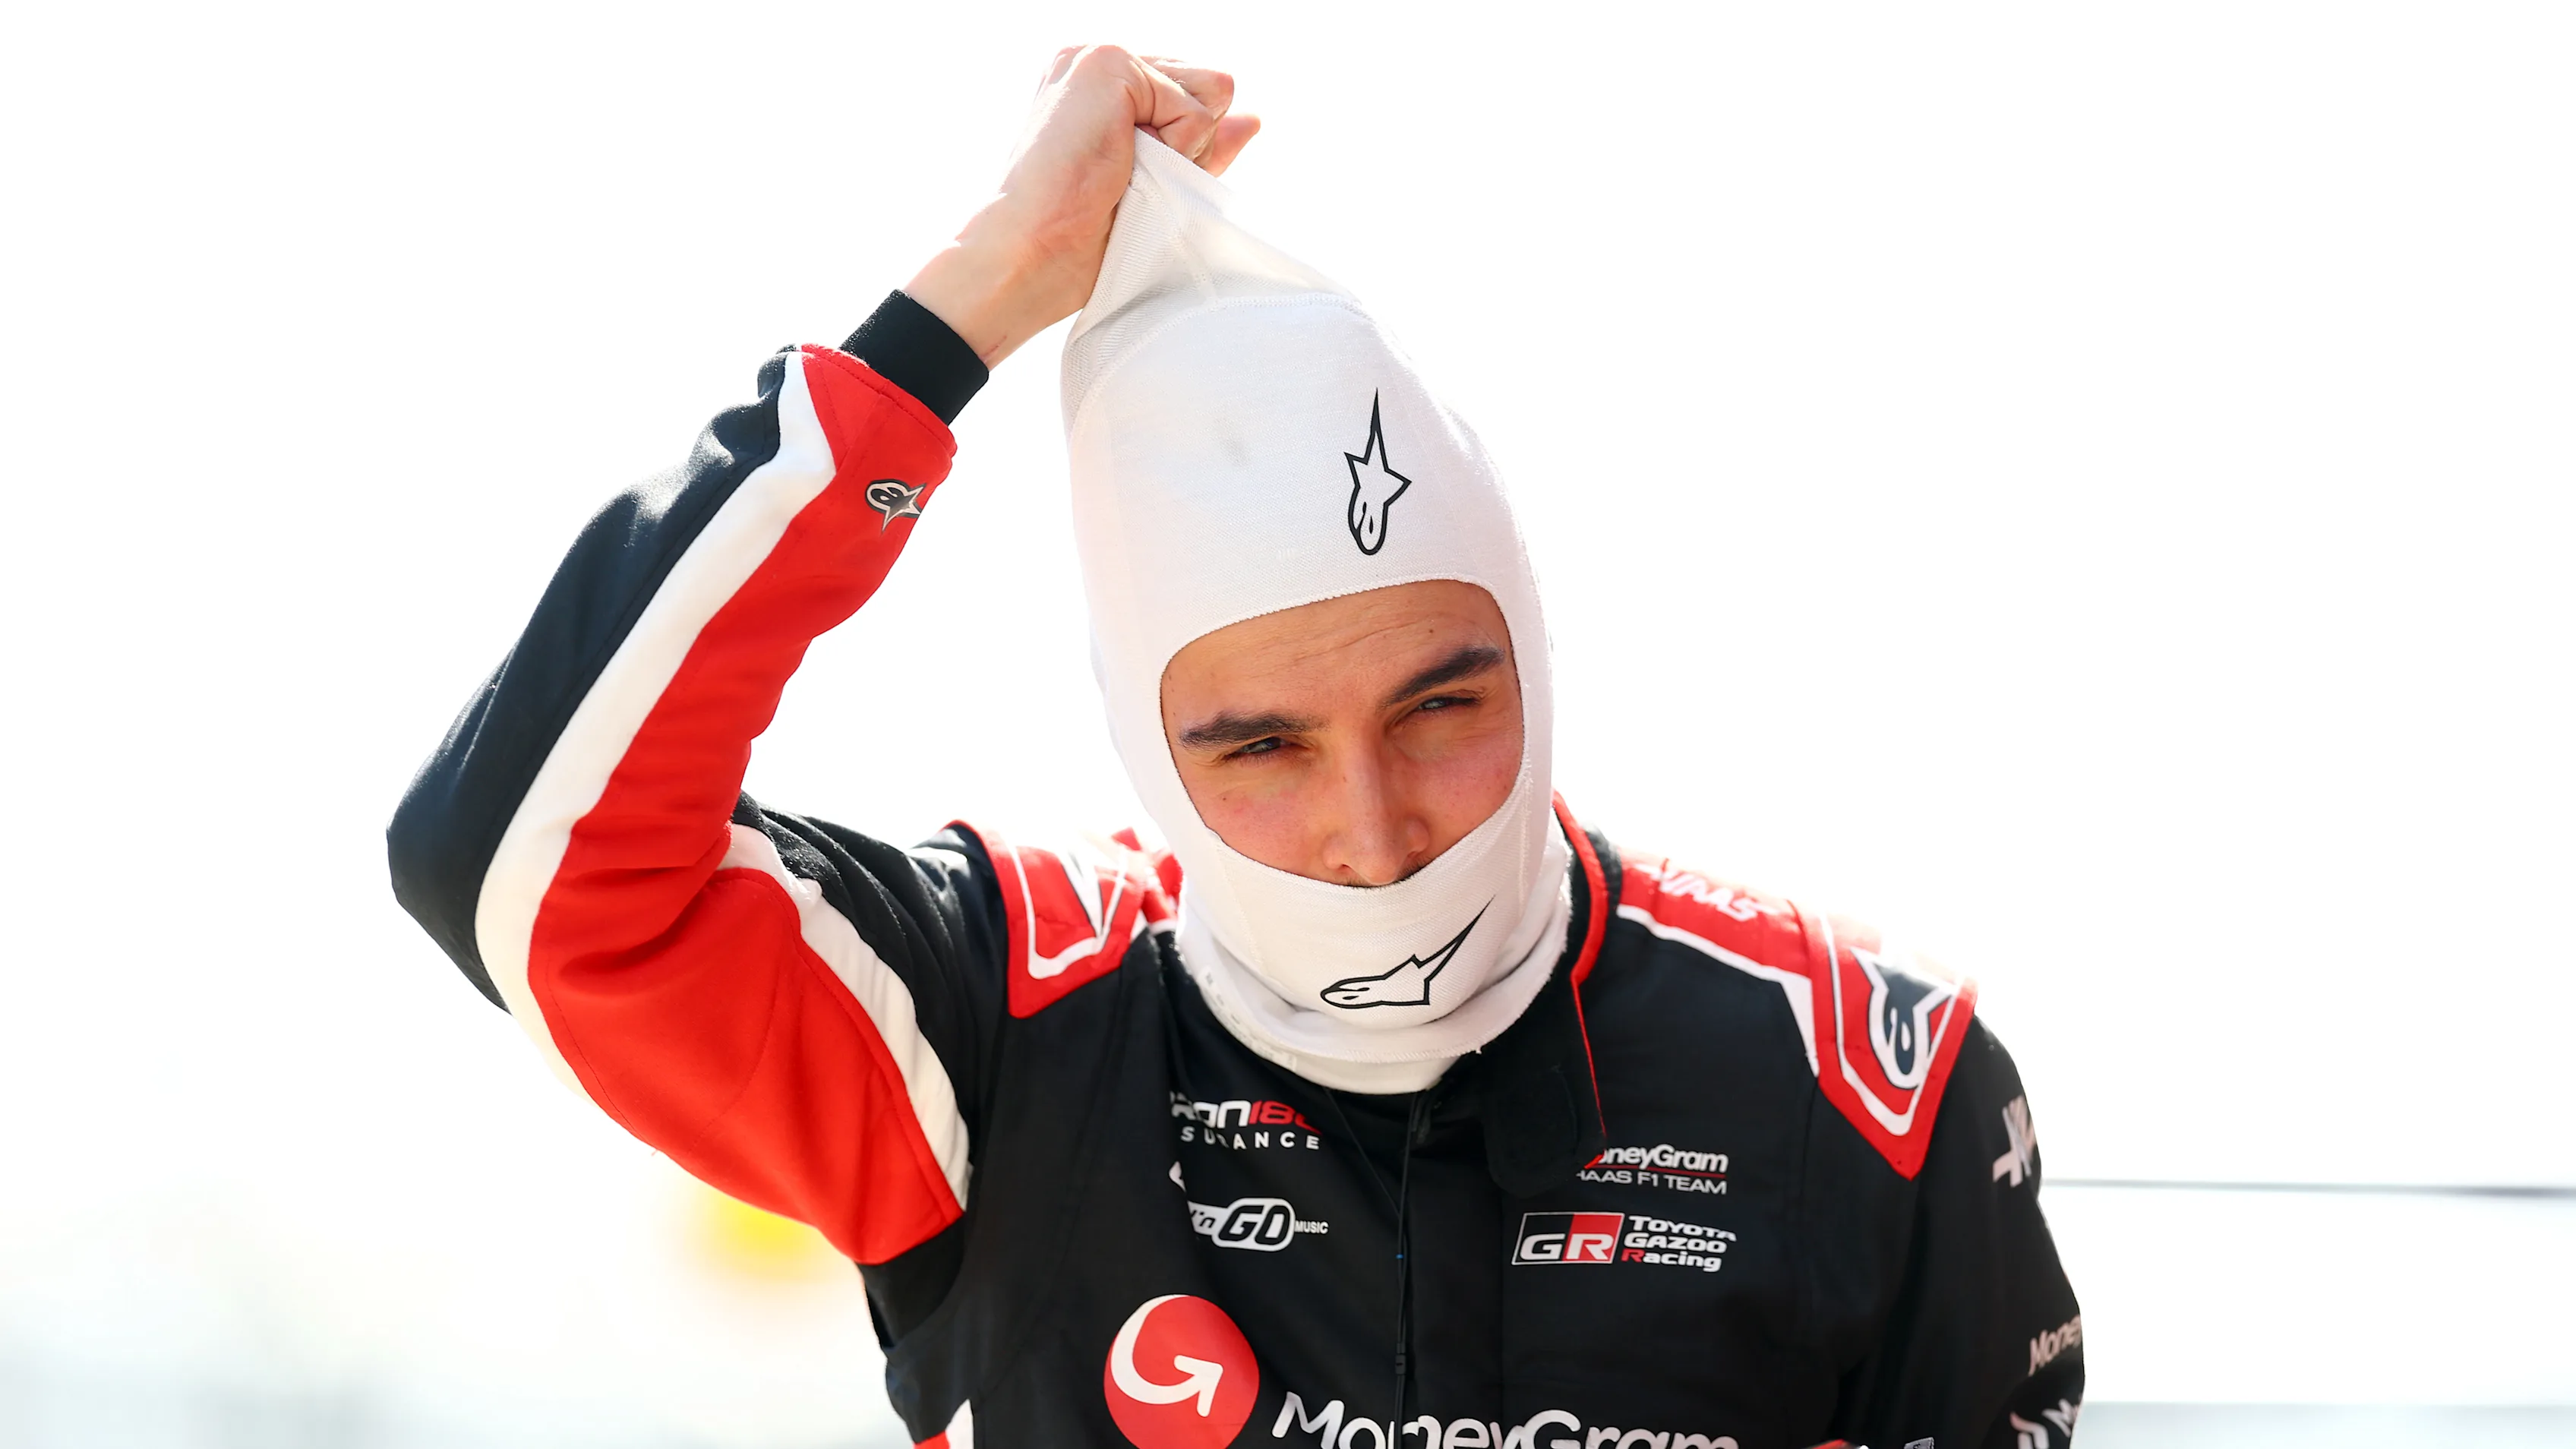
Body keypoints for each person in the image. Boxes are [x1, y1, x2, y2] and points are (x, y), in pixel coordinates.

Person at [388, 46, 2083, 1449]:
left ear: (1537, 656)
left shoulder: (1874, 1082)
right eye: (1258, 746)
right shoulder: (997, 1026)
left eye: (1441, 705)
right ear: (1139, 741)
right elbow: (518, 859)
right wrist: (969, 301)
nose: (1371, 831)